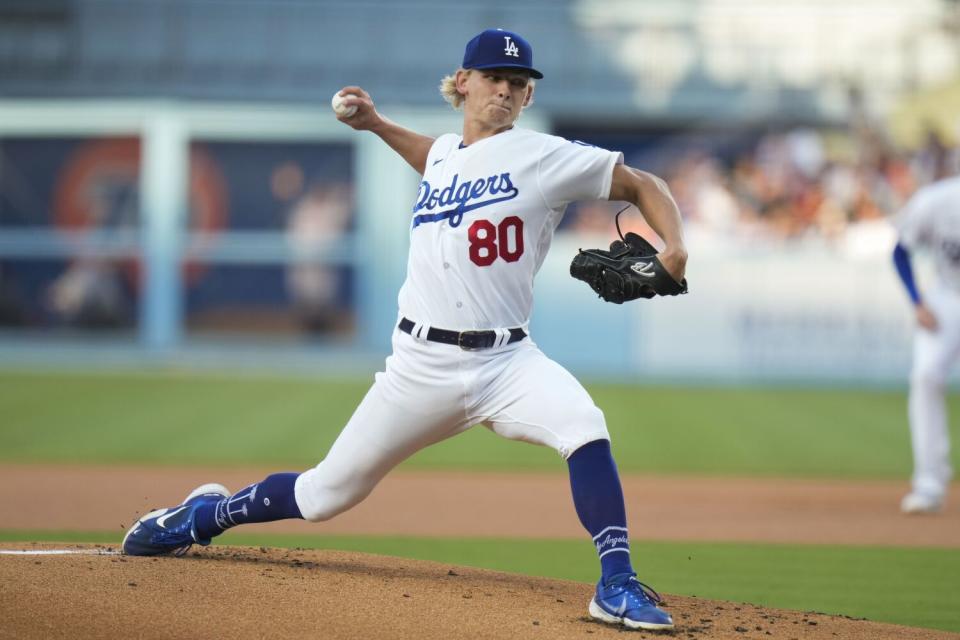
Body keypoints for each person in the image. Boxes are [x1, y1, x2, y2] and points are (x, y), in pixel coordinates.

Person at [122, 28, 688, 631]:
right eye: (494, 77)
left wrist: (674, 248)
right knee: (324, 496)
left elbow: (642, 183)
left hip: (508, 363)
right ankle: (202, 516)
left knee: (583, 423)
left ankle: (616, 583)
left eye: (518, 84)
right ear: (463, 82)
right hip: (419, 367)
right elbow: (436, 158)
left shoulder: (543, 156)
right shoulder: (446, 153)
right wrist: (375, 123)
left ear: (526, 99)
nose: (506, 90)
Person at [893, 172, 960, 514]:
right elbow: (901, 251)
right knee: (925, 376)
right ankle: (930, 484)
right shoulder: (937, 200)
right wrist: (917, 301)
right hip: (948, 298)